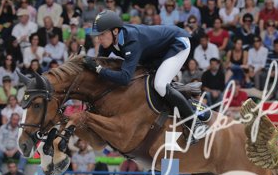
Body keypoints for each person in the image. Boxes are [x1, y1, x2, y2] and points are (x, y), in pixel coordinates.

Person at [82, 10, 200, 139]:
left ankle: (195, 123)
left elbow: (124, 78)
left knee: (160, 85)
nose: (99, 39)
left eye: (102, 34)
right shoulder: (109, 41)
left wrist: (98, 69)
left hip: (177, 43)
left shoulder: (131, 41)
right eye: (98, 35)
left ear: (115, 31)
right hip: (156, 52)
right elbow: (98, 64)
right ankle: (178, 91)